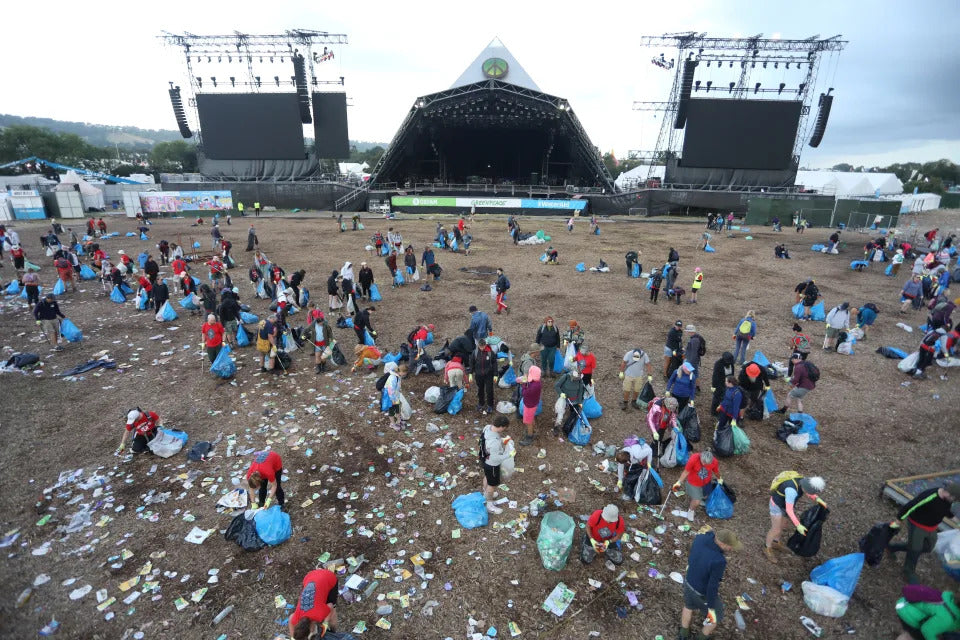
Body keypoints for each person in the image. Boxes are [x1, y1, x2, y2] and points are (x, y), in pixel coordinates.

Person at [888, 483, 960, 584]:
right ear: (949, 494)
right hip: (917, 525)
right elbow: (911, 505)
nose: (954, 502)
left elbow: (946, 510)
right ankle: (909, 570)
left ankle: (894, 547)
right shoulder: (930, 496)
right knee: (915, 548)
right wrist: (898, 520)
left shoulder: (947, 500)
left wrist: (957, 521)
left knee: (928, 547)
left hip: (931, 527)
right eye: (955, 499)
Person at [679, 529, 742, 640]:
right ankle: (701, 637)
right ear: (722, 543)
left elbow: (709, 533)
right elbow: (712, 586)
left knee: (688, 606)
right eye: (730, 546)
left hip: (689, 581)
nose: (731, 549)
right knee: (715, 618)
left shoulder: (700, 538)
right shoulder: (719, 560)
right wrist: (711, 606)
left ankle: (683, 635)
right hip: (701, 592)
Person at [764, 473, 826, 563]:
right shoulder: (791, 491)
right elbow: (789, 511)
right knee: (776, 529)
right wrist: (798, 525)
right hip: (777, 505)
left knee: (783, 525)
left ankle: (775, 542)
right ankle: (767, 547)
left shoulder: (804, 481)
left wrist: (816, 498)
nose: (809, 494)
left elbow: (807, 492)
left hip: (785, 504)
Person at [671, 451, 723, 522]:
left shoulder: (714, 462)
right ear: (701, 457)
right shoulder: (694, 459)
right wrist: (679, 482)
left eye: (706, 463)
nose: (704, 464)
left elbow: (716, 471)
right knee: (697, 501)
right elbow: (686, 471)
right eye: (703, 462)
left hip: (706, 482)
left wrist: (719, 478)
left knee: (705, 495)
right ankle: (691, 511)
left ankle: (699, 498)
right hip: (693, 483)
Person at [288, 569, 339, 640]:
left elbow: (330, 606)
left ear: (312, 629)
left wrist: (325, 623)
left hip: (328, 577)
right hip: (310, 577)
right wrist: (292, 638)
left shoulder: (319, 615)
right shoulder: (296, 618)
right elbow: (291, 619)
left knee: (332, 613)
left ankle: (334, 632)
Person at [894, 589, 960, 640]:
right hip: (906, 611)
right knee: (922, 636)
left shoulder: (950, 600)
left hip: (908, 603)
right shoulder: (948, 618)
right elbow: (926, 630)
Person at [480, 415, 512, 514]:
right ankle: (490, 505)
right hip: (492, 464)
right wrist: (509, 455)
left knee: (487, 476)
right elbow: (496, 458)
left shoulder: (487, 427)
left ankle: (485, 493)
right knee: (492, 485)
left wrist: (502, 440)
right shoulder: (494, 443)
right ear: (501, 426)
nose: (504, 430)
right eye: (504, 428)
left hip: (484, 458)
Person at [470, 337, 498, 415]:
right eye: (480, 346)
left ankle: (490, 405)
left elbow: (495, 363)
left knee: (489, 390)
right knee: (480, 389)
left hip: (488, 375)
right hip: (478, 375)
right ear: (478, 345)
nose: (482, 348)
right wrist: (470, 373)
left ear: (485, 345)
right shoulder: (475, 353)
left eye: (483, 346)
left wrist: (495, 374)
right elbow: (471, 363)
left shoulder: (490, 353)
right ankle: (481, 403)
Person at [555, 368, 586, 437]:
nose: (576, 380)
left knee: (574, 413)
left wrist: (580, 402)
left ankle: (567, 428)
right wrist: (561, 393)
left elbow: (580, 391)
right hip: (564, 398)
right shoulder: (566, 377)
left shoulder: (580, 380)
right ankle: (557, 426)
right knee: (560, 412)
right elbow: (557, 386)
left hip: (574, 400)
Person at [518, 366, 542, 446]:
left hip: (530, 405)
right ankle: (533, 430)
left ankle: (529, 436)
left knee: (528, 422)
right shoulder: (537, 382)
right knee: (531, 418)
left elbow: (525, 393)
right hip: (533, 403)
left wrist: (523, 384)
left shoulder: (534, 386)